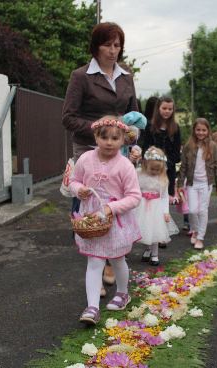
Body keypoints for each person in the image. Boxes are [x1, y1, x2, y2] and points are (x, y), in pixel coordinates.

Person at [61, 22, 138, 292]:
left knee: (118, 204)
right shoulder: (81, 76)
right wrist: (102, 126)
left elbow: (134, 117)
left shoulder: (127, 77)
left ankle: (110, 260)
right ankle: (95, 260)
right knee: (89, 207)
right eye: (107, 45)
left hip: (120, 151)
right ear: (96, 47)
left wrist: (133, 135)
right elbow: (68, 118)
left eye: (117, 45)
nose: (113, 50)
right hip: (88, 149)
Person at [68, 116, 142, 325]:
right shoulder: (85, 159)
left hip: (115, 221)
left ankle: (122, 292)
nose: (109, 142)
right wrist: (78, 190)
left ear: (123, 141)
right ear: (96, 137)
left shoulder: (125, 165)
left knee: (118, 259)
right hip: (92, 219)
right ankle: (92, 307)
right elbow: (74, 180)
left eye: (115, 138)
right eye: (104, 137)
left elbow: (134, 196)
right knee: (94, 260)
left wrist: (111, 208)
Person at [176, 118, 217, 250]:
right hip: (192, 183)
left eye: (203, 130)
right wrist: (180, 183)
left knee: (202, 210)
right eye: (198, 130)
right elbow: (184, 167)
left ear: (208, 131)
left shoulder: (213, 146)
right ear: (194, 130)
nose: (201, 132)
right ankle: (196, 230)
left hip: (206, 183)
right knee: (192, 210)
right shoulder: (188, 146)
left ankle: (200, 237)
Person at [135, 147, 179, 266]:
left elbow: (164, 197)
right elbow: (135, 191)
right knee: (145, 229)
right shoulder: (139, 174)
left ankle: (155, 254)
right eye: (152, 169)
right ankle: (147, 250)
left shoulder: (163, 179)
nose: (154, 171)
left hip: (156, 208)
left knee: (155, 231)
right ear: (145, 164)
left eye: (157, 169)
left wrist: (166, 212)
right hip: (142, 206)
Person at [141, 96, 181, 198]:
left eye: (170, 109)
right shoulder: (150, 126)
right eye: (164, 108)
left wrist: (165, 163)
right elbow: (145, 149)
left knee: (165, 203)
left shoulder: (175, 128)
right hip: (152, 170)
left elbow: (177, 154)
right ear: (158, 108)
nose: (167, 111)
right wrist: (153, 161)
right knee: (151, 200)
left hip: (168, 172)